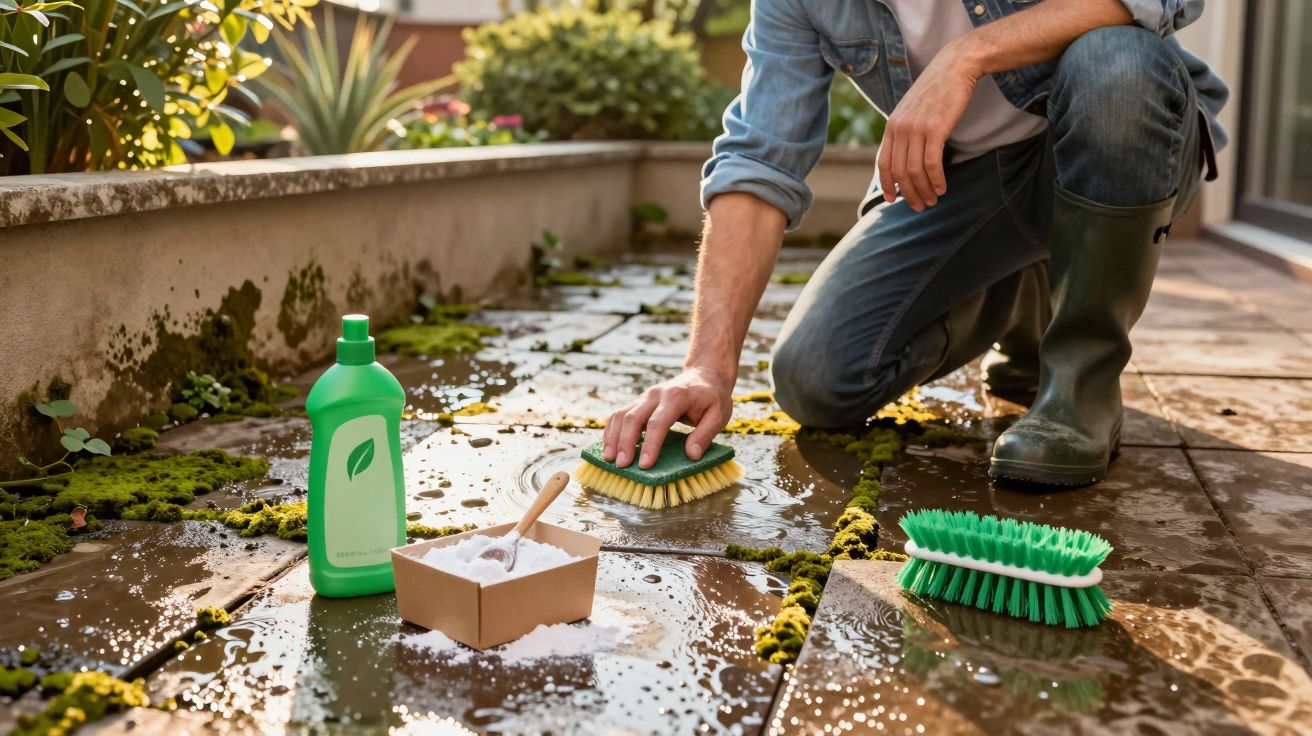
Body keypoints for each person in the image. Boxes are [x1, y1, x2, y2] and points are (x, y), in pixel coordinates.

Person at [601, 0, 1227, 486]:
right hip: (964, 183)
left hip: (1121, 141)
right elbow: (760, 162)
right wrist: (707, 366)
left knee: (1116, 62)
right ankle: (1020, 296)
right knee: (816, 378)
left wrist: (968, 55)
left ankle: (1082, 389)